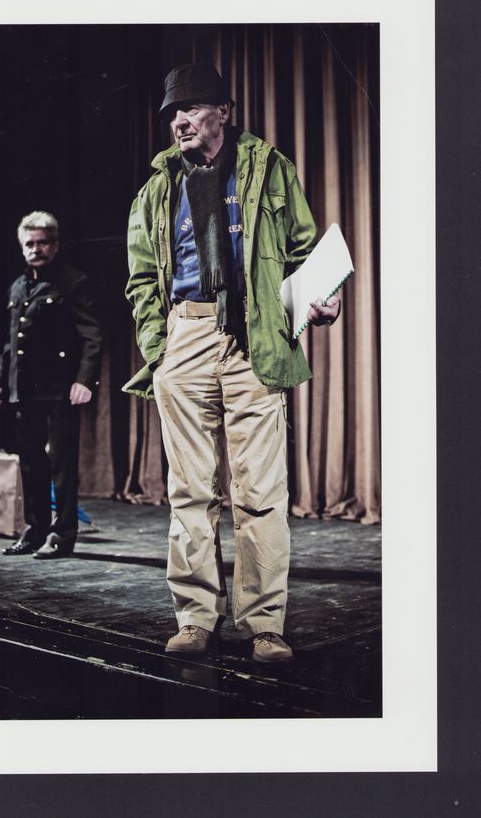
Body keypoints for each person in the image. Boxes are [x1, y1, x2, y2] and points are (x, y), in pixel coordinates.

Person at [124, 64, 339, 661]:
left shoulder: (271, 168)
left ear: (224, 111)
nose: (180, 121)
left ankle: (264, 623)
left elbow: (304, 249)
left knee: (260, 491)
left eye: (192, 108)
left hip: (255, 338)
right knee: (189, 490)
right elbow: (140, 279)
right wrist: (159, 348)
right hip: (185, 336)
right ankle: (195, 618)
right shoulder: (156, 189)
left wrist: (323, 297)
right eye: (173, 112)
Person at [0, 211, 102, 559]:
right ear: (22, 248)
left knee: (61, 466)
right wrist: (0, 382)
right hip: (24, 389)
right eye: (30, 244)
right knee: (30, 462)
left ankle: (62, 535)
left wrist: (84, 380)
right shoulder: (17, 287)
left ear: (55, 245)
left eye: (43, 243)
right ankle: (35, 530)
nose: (36, 249)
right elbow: (11, 342)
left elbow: (92, 336)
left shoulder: (72, 282)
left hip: (59, 388)